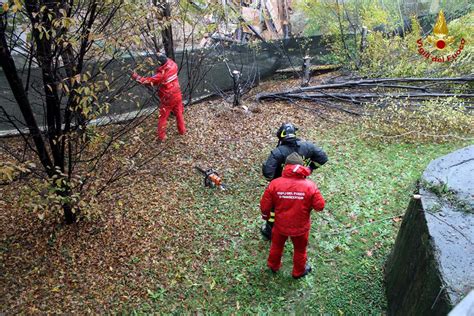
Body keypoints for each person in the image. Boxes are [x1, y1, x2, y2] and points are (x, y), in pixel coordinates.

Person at [260, 152, 325, 279]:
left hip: (280, 225)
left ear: (286, 166)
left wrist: (266, 217)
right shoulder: (310, 186)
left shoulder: (275, 184)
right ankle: (298, 271)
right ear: (301, 166)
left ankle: (273, 265)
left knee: (276, 246)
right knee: (300, 250)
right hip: (301, 227)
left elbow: (265, 206)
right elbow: (320, 206)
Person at [260, 123, 328, 239]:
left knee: (273, 209)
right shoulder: (307, 147)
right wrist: (309, 169)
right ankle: (296, 227)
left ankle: (270, 231)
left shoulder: (278, 152)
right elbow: (323, 158)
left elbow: (267, 173)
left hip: (279, 188)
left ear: (281, 136)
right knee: (299, 205)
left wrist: (274, 180)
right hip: (301, 184)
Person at [132, 54, 186, 142]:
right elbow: (166, 59)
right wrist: (160, 55)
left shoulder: (161, 75)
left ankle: (161, 137)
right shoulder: (173, 65)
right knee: (179, 113)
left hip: (168, 98)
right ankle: (182, 130)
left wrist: (135, 76)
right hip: (177, 94)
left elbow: (146, 81)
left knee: (163, 117)